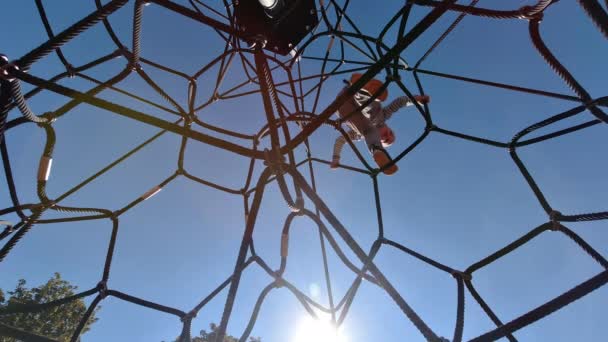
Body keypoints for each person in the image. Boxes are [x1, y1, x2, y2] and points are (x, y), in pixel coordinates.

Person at [330, 73, 430, 175]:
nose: (387, 135)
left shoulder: (359, 135)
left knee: (368, 131)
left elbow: (340, 140)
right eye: (391, 133)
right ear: (389, 127)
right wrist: (415, 100)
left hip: (342, 106)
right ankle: (363, 90)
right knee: (375, 115)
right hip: (352, 93)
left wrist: (336, 158)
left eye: (386, 140)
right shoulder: (384, 115)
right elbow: (399, 103)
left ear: (378, 141)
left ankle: (377, 151)